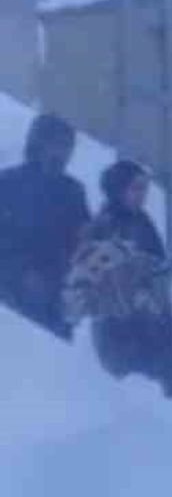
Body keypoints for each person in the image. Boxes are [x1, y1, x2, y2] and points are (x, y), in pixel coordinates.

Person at [63, 161, 172, 397]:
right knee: (134, 398)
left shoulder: (142, 221)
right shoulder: (104, 226)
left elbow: (155, 264)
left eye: (144, 189)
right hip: (121, 331)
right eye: (136, 189)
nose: (142, 196)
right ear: (119, 189)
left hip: (153, 326)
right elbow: (94, 281)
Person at [0, 114, 90, 340]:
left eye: (67, 146)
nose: (62, 153)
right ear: (38, 143)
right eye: (56, 144)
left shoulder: (73, 192)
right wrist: (20, 273)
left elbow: (84, 242)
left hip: (56, 300)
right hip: (11, 299)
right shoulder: (8, 184)